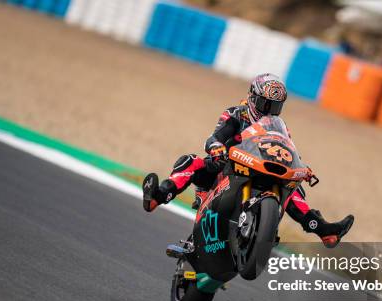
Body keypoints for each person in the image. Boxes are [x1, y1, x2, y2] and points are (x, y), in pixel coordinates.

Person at [142, 73, 354, 248]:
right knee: (190, 161)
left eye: (275, 107)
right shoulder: (235, 114)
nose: (270, 110)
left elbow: (287, 151)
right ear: (253, 97)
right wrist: (217, 148)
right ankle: (158, 196)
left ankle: (324, 230)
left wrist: (301, 167)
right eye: (266, 104)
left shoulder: (281, 127)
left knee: (294, 186)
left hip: (261, 171)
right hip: (228, 168)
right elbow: (215, 137)